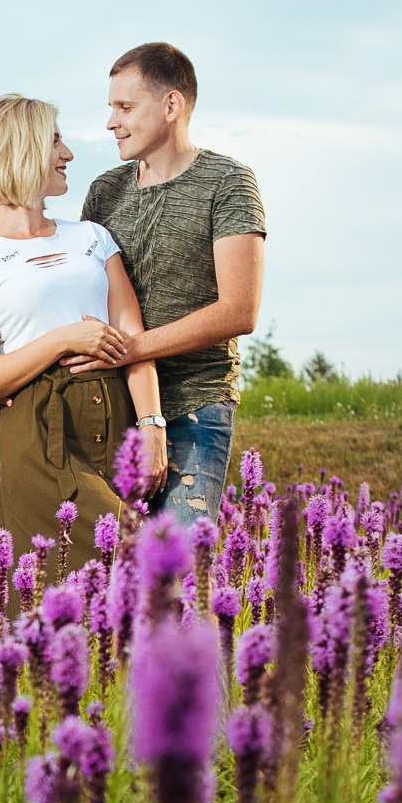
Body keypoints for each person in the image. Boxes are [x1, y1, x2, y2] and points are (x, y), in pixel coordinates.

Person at [0, 93, 166, 572]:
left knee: (135, 588)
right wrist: (64, 339)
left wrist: (151, 425)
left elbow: (134, 338)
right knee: (70, 581)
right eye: (55, 141)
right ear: (20, 150)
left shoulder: (91, 237)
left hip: (117, 419)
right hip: (40, 434)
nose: (68, 154)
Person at [76, 41, 266, 522]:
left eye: (125, 107)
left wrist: (135, 349)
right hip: (111, 404)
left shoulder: (228, 182)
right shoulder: (104, 192)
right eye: (110, 107)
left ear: (171, 105)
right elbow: (80, 293)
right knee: (107, 579)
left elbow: (238, 311)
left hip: (195, 406)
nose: (111, 121)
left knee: (176, 574)